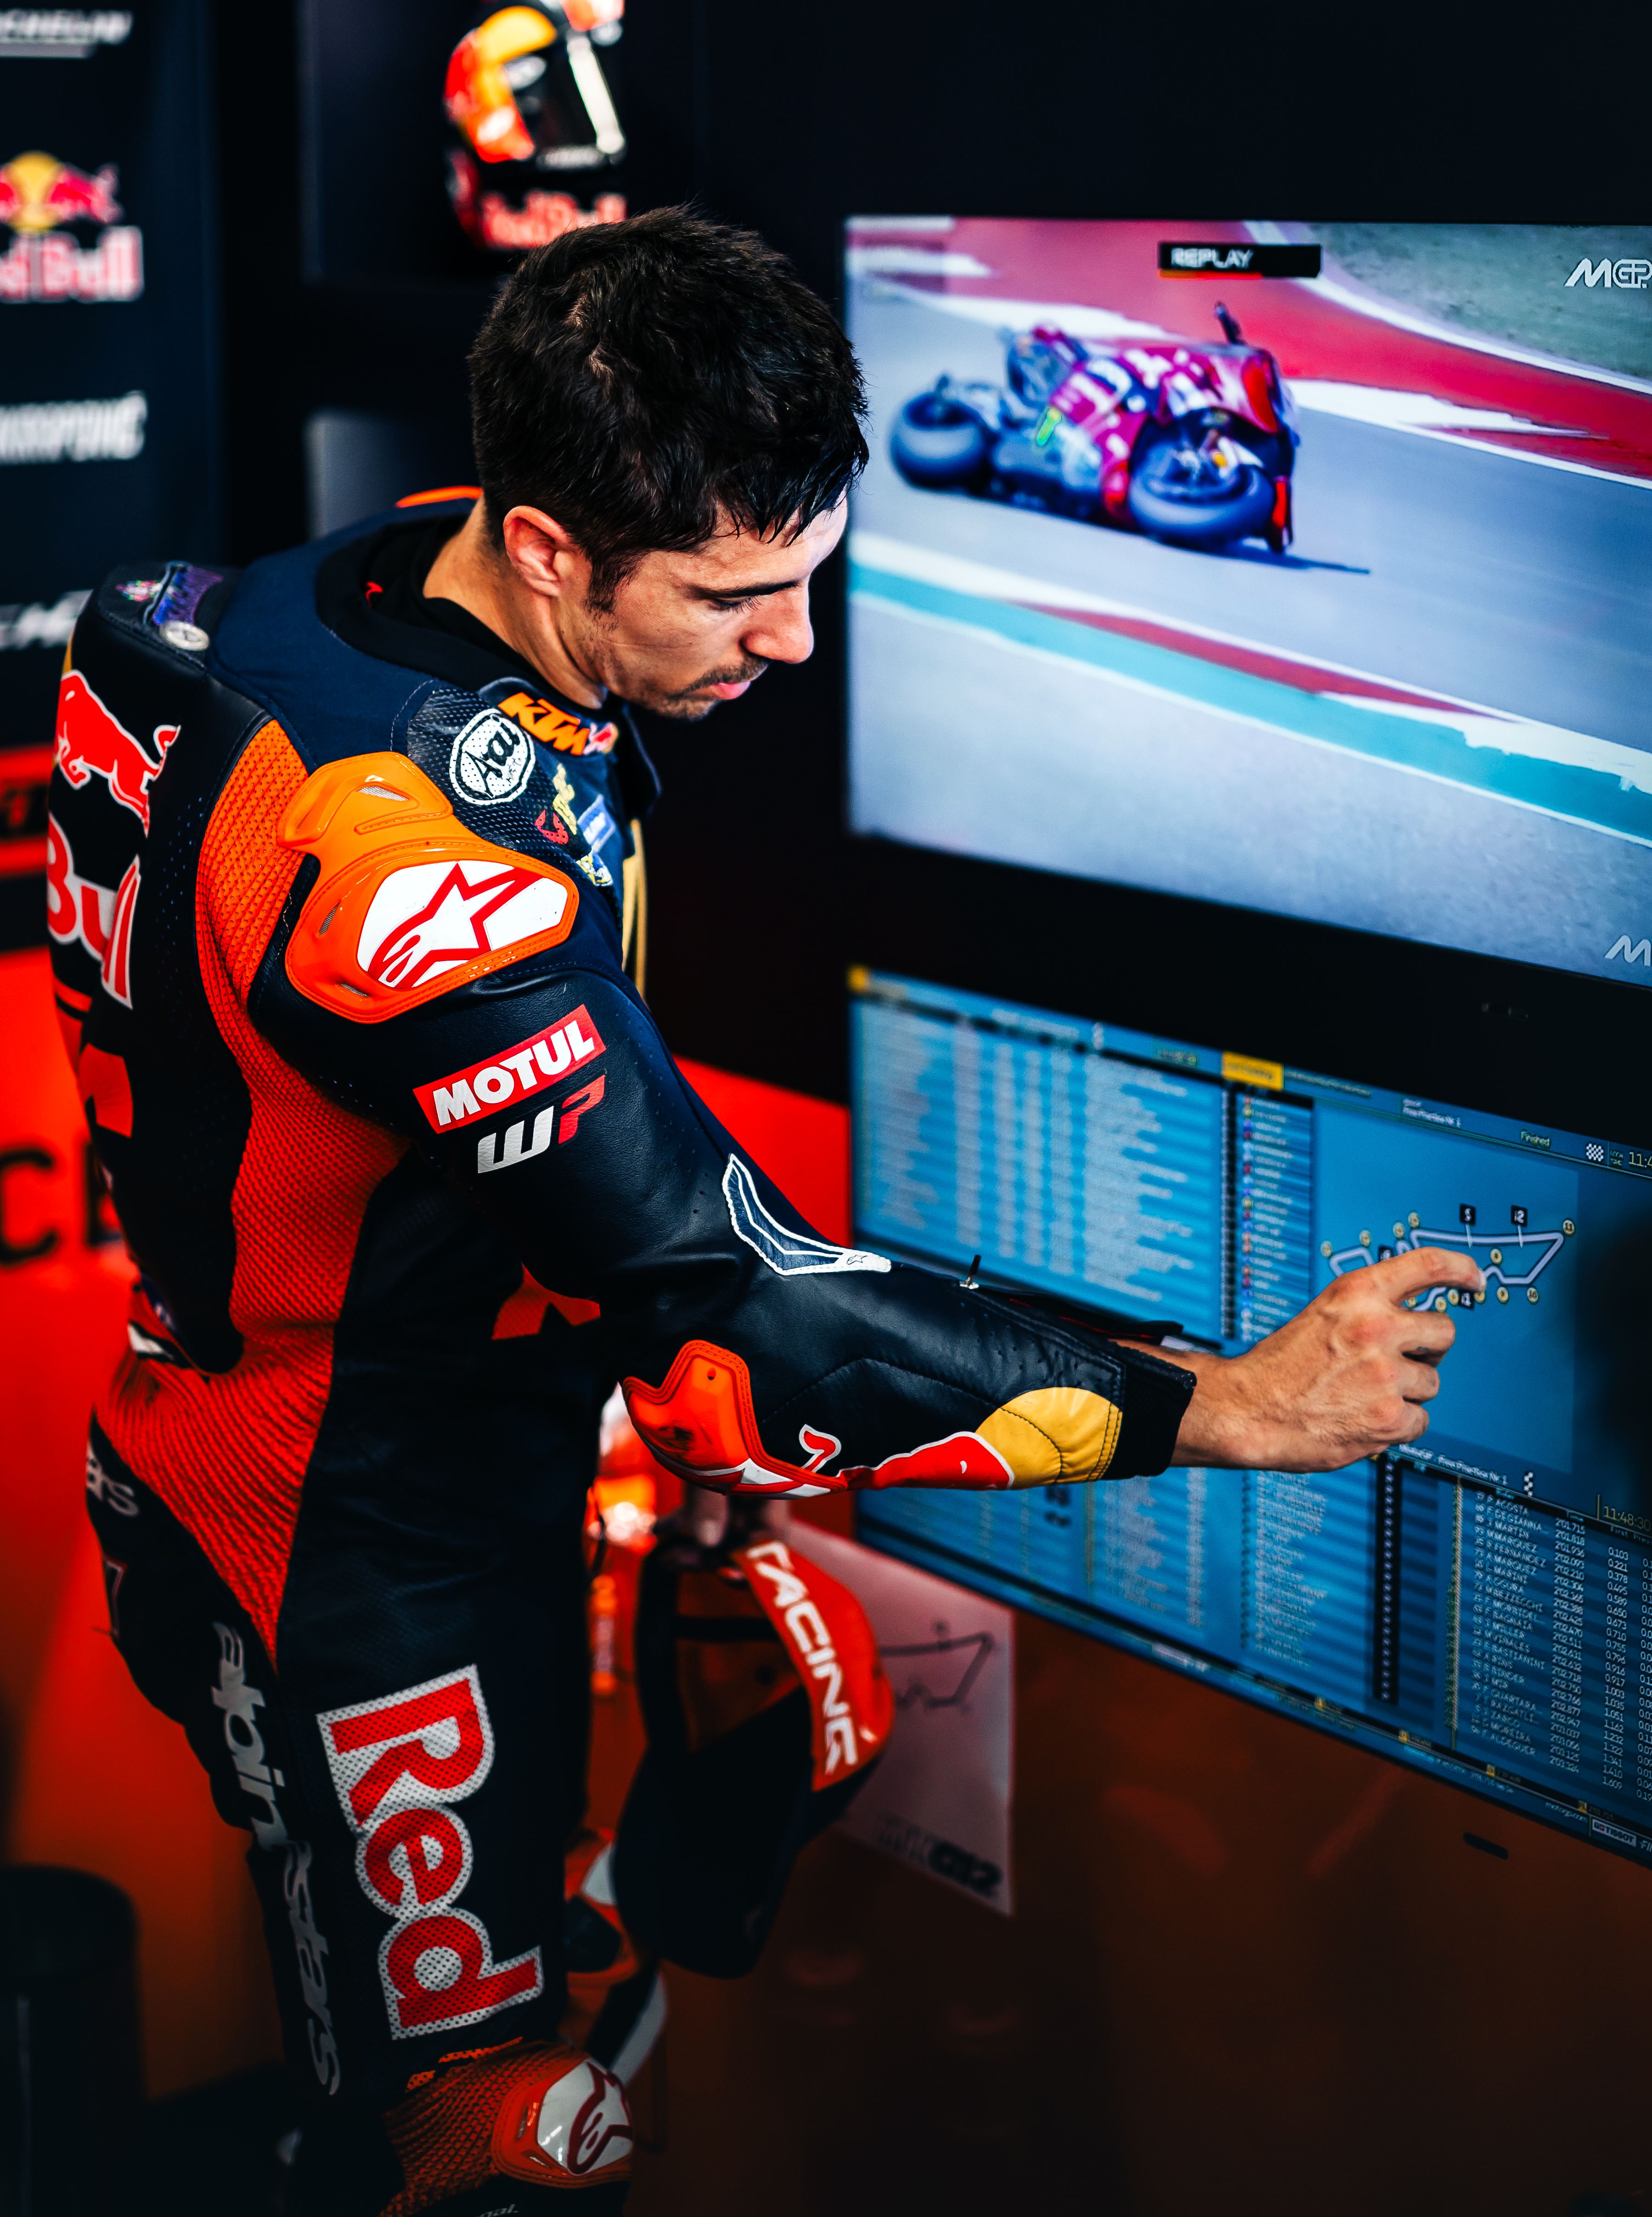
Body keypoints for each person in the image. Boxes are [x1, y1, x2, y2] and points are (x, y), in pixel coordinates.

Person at [48, 209, 1482, 2215]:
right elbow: (749, 1304)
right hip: (348, 1544)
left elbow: (470, 1156)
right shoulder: (396, 868)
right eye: (737, 596)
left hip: (342, 1414)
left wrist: (626, 1357)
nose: (794, 641)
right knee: (482, 2134)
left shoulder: (283, 604)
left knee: (575, 1956)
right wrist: (1228, 1403)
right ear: (551, 550)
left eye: (808, 569)